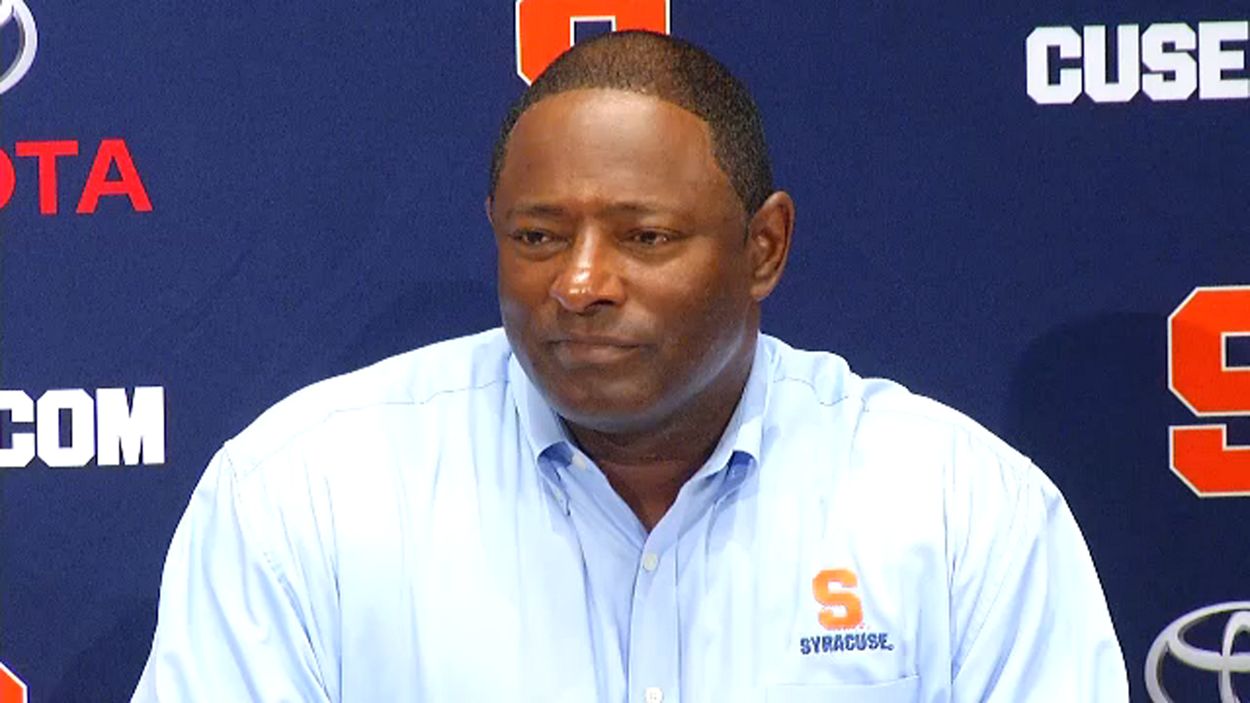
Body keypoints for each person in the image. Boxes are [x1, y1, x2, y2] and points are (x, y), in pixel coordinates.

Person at [132, 30, 1127, 702]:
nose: (578, 284)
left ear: (764, 248)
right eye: (536, 237)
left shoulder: (956, 510)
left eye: (644, 237)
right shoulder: (305, 495)